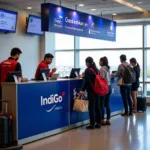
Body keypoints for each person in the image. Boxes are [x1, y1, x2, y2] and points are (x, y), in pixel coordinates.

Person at [0, 48, 28, 112]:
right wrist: (24, 79)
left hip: (1, 88)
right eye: (19, 55)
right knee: (11, 108)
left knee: (2, 107)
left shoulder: (2, 63)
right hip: (11, 89)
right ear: (17, 54)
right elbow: (19, 78)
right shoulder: (16, 64)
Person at [80, 57, 101, 129]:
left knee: (91, 107)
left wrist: (82, 89)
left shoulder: (88, 70)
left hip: (91, 91)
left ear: (87, 62)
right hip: (98, 90)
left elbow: (87, 81)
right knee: (97, 106)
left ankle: (92, 124)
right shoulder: (97, 69)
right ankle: (98, 123)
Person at [99, 57, 112, 125]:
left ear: (102, 62)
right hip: (109, 87)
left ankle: (102, 120)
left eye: (100, 61)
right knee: (107, 104)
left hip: (104, 88)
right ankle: (108, 119)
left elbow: (101, 80)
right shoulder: (108, 68)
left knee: (101, 105)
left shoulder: (102, 69)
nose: (99, 62)